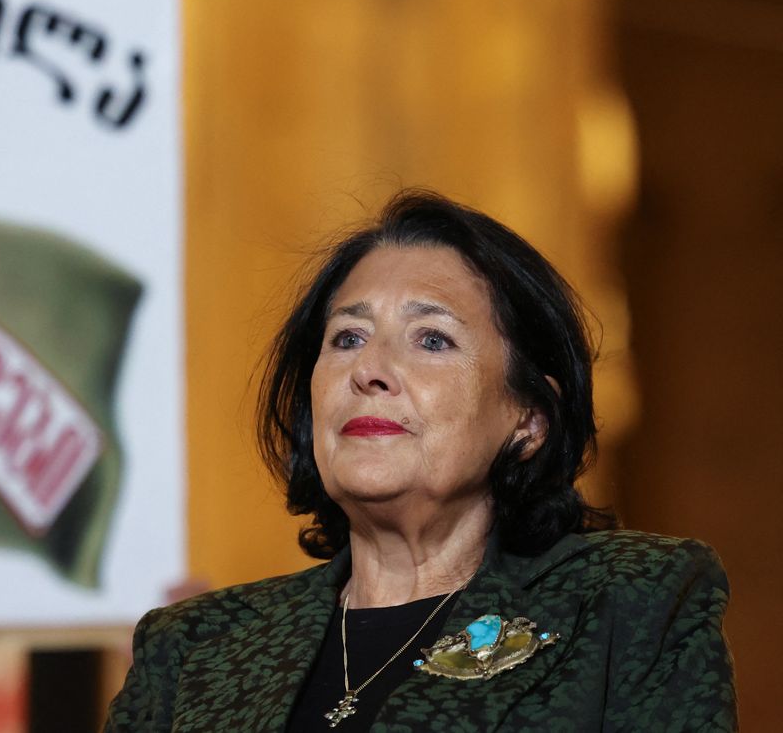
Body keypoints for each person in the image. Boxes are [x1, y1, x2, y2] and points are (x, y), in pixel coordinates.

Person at [105, 192, 735, 730]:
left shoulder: (634, 601)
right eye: (347, 338)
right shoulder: (193, 645)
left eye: (432, 339)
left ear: (528, 419)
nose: (369, 371)